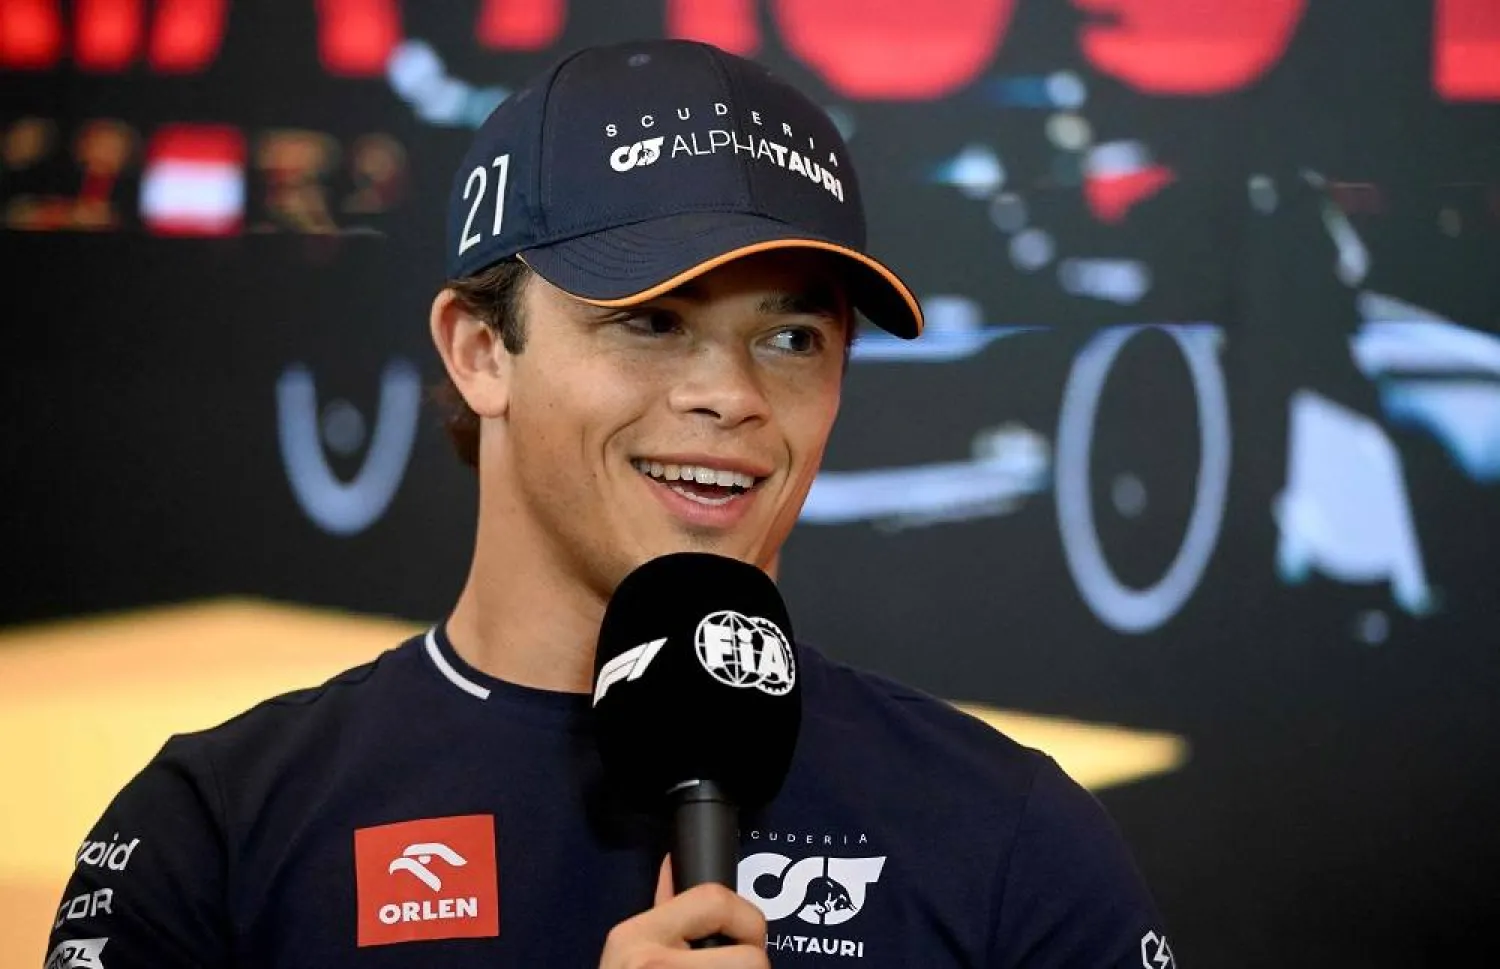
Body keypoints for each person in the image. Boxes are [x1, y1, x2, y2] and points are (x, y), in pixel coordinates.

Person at [44, 39, 1174, 968]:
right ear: (481, 349)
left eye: (791, 337)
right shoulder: (218, 831)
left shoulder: (1012, 836)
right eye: (651, 320)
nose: (731, 396)